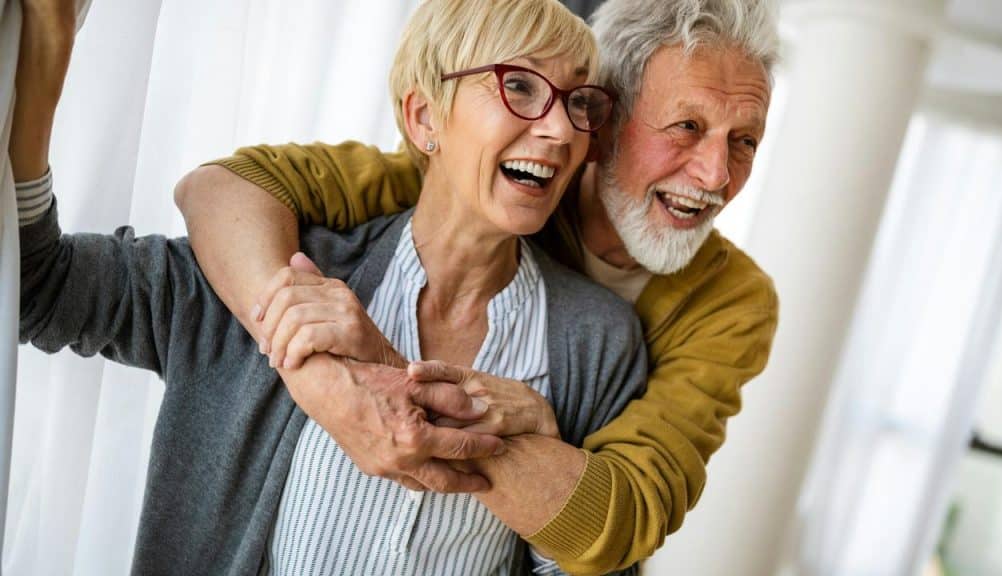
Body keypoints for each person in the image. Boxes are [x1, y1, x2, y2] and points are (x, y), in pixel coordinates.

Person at [13, 0, 646, 574]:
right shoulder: (278, 270)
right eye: (518, 85)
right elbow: (36, 288)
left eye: (578, 103)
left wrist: (394, 369)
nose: (562, 132)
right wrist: (41, 72)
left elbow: (595, 563)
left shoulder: (597, 341)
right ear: (425, 115)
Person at [176, 0, 782, 573]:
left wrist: (409, 388)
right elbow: (224, 188)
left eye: (744, 140)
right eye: (686, 126)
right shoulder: (503, 177)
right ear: (604, 119)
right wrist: (320, 378)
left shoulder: (734, 301)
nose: (716, 175)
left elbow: (627, 515)